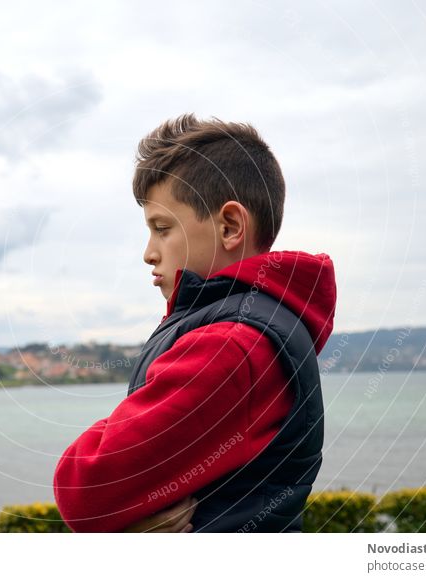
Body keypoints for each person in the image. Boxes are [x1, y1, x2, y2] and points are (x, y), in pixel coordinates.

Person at [53, 113, 337, 532]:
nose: (149, 253)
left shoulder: (231, 345)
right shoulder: (246, 325)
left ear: (230, 226)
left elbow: (84, 488)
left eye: (162, 228)